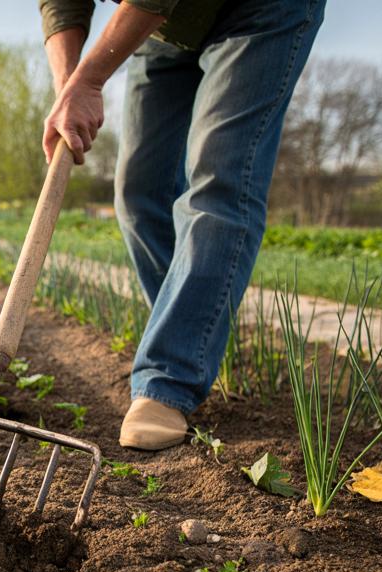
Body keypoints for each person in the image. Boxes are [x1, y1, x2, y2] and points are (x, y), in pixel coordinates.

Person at [38, 0, 325, 450]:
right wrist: (68, 84)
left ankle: (167, 381)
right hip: (165, 30)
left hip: (260, 11)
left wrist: (90, 80)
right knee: (138, 192)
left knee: (218, 182)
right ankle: (195, 335)